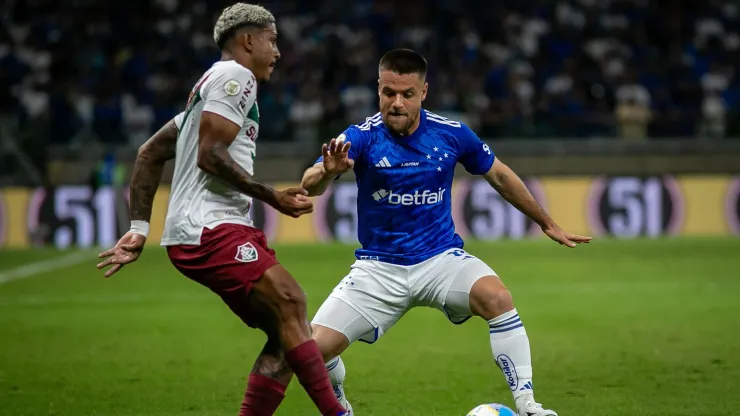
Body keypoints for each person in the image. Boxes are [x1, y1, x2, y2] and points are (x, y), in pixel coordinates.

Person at [300, 49, 592, 416]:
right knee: (312, 352)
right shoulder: (362, 136)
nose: (396, 102)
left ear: (424, 92)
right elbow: (309, 184)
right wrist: (327, 171)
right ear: (378, 90)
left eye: (407, 94)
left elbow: (499, 175)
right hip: (379, 268)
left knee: (497, 298)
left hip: (439, 260)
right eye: (388, 92)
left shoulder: (451, 133)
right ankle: (339, 399)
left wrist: (547, 222)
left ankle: (528, 405)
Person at [96, 4, 348, 416]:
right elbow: (209, 155)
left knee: (287, 336)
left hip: (210, 228)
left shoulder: (205, 93)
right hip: (208, 228)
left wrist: (140, 227)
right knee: (291, 301)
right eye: (272, 39)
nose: (278, 51)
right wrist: (273, 197)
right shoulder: (236, 75)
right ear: (248, 40)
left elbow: (149, 152)